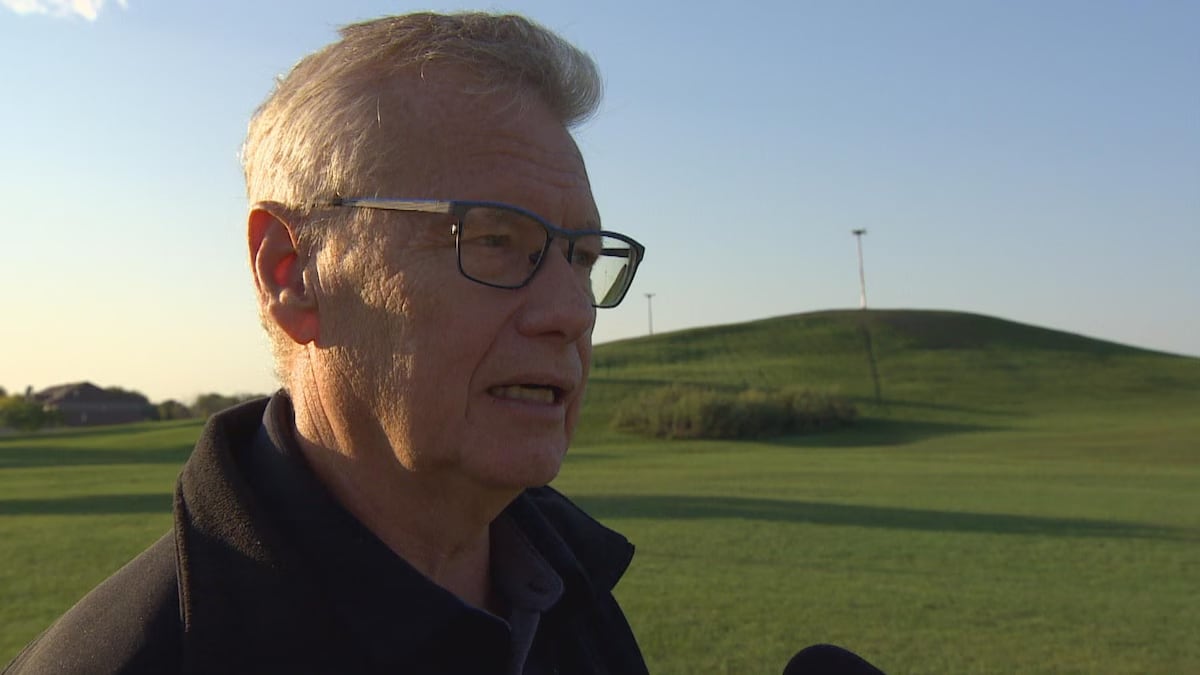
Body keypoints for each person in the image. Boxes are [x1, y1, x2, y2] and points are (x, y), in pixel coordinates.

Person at [4, 12, 648, 675]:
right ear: (293, 272)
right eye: (492, 239)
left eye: (582, 258)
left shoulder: (572, 592)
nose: (571, 310)